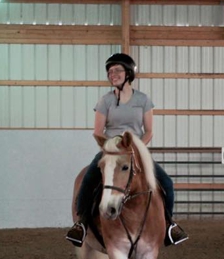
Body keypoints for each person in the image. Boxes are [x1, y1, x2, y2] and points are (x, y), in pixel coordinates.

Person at [66, 53, 188, 248]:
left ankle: (169, 224)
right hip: (112, 151)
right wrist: (113, 146)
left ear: (129, 73)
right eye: (109, 71)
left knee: (166, 182)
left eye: (117, 70)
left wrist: (137, 147)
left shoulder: (143, 100)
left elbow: (149, 131)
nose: (112, 74)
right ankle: (81, 223)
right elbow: (98, 131)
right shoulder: (105, 101)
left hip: (136, 151)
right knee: (88, 180)